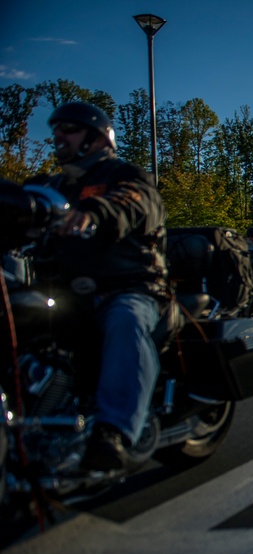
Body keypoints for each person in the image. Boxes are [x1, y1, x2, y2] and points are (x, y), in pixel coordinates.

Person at [25, 101, 168, 473]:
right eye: (57, 129)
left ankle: (113, 432)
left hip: (126, 287)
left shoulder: (126, 175)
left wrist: (94, 212)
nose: (58, 135)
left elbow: (134, 202)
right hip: (65, 293)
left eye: (69, 129)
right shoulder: (50, 186)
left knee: (126, 320)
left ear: (97, 137)